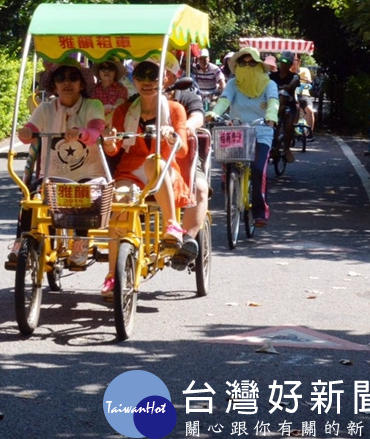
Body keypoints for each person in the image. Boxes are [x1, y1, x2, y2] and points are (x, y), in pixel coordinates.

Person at [101, 58, 192, 297]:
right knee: (118, 202)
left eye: (153, 77)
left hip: (164, 169)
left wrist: (171, 136)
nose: (148, 82)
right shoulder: (123, 110)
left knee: (155, 161)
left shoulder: (174, 110)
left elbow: (181, 149)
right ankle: (112, 274)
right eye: (141, 76)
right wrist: (109, 141)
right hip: (130, 171)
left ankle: (172, 224)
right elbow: (114, 150)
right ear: (134, 80)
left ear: (163, 79)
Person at [11, 63, 110, 270]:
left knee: (87, 196)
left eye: (73, 78)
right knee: (30, 199)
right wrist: (25, 133)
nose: (67, 82)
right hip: (52, 173)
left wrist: (81, 133)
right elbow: (30, 128)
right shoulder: (46, 108)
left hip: (88, 173)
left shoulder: (93, 105)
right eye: (61, 78)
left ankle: (80, 245)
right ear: (54, 86)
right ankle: (21, 242)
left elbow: (96, 130)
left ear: (81, 84)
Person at [206, 46, 279, 227]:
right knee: (227, 158)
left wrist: (271, 116)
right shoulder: (232, 83)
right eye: (242, 63)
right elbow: (224, 100)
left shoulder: (269, 84)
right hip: (237, 129)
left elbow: (273, 101)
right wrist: (214, 113)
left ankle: (260, 212)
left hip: (261, 130)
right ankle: (229, 181)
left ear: (259, 65)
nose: (247, 66)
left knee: (258, 168)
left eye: (252, 62)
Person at [162, 58, 207, 269]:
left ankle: (187, 241)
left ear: (172, 76)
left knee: (199, 187)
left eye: (160, 72)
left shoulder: (186, 97)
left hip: (183, 156)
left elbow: (198, 116)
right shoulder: (140, 100)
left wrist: (185, 127)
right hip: (150, 159)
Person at [270, 51, 302, 164]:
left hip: (288, 105)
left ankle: (287, 148)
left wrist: (288, 86)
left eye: (287, 62)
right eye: (282, 61)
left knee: (288, 123)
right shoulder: (272, 76)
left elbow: (294, 83)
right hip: (272, 105)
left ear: (290, 64)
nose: (284, 64)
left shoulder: (294, 76)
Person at [298, 66, 316, 134]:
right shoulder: (287, 69)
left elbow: (309, 81)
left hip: (303, 94)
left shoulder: (304, 70)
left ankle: (309, 132)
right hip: (290, 94)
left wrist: (306, 80)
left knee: (310, 110)